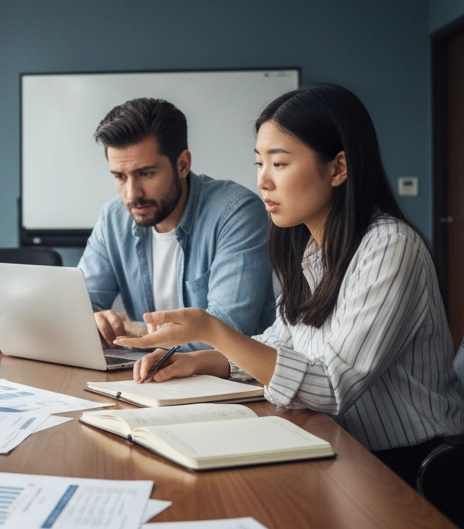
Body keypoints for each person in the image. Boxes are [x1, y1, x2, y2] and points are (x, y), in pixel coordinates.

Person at [116, 83, 464, 481]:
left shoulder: (389, 246)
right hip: (340, 449)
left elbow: (331, 388)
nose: (263, 181)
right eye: (259, 163)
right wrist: (197, 361)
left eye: (279, 164)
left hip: (411, 468)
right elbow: (280, 343)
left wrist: (212, 330)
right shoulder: (312, 249)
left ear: (338, 168)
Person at [78, 97, 274, 348]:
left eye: (145, 174)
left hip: (227, 383)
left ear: (182, 164)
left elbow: (226, 333)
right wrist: (95, 320)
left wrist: (132, 331)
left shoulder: (236, 212)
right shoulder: (114, 217)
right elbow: (79, 309)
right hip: (146, 376)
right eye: (119, 176)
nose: (131, 193)